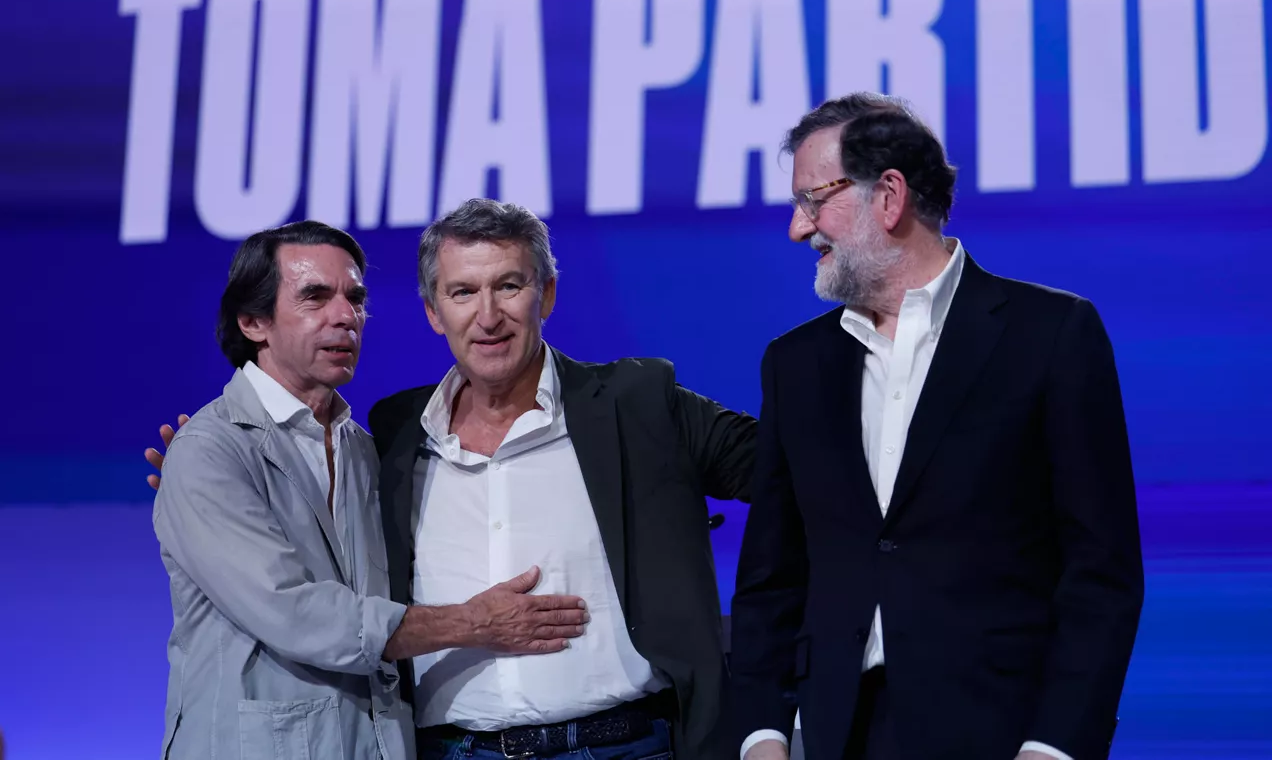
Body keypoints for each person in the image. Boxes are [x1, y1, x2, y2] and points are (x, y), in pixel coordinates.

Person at [147, 202, 755, 760]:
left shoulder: (634, 404)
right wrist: (473, 622)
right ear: (434, 312)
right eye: (463, 291)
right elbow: (296, 609)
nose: (487, 315)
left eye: (509, 286)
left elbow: (785, 468)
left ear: (545, 295)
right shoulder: (387, 437)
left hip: (626, 747)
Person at [730, 94, 1144, 760]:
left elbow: (1101, 573)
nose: (798, 229)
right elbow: (772, 579)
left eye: (813, 200)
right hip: (842, 734)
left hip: (1005, 733)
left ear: (888, 196)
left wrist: (1057, 745)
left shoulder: (1051, 335)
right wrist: (760, 734)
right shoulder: (795, 365)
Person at [152, 221, 587, 760]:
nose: (345, 316)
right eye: (315, 297)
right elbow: (296, 613)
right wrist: (472, 623)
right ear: (253, 321)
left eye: (355, 298)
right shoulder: (209, 450)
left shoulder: (365, 448)